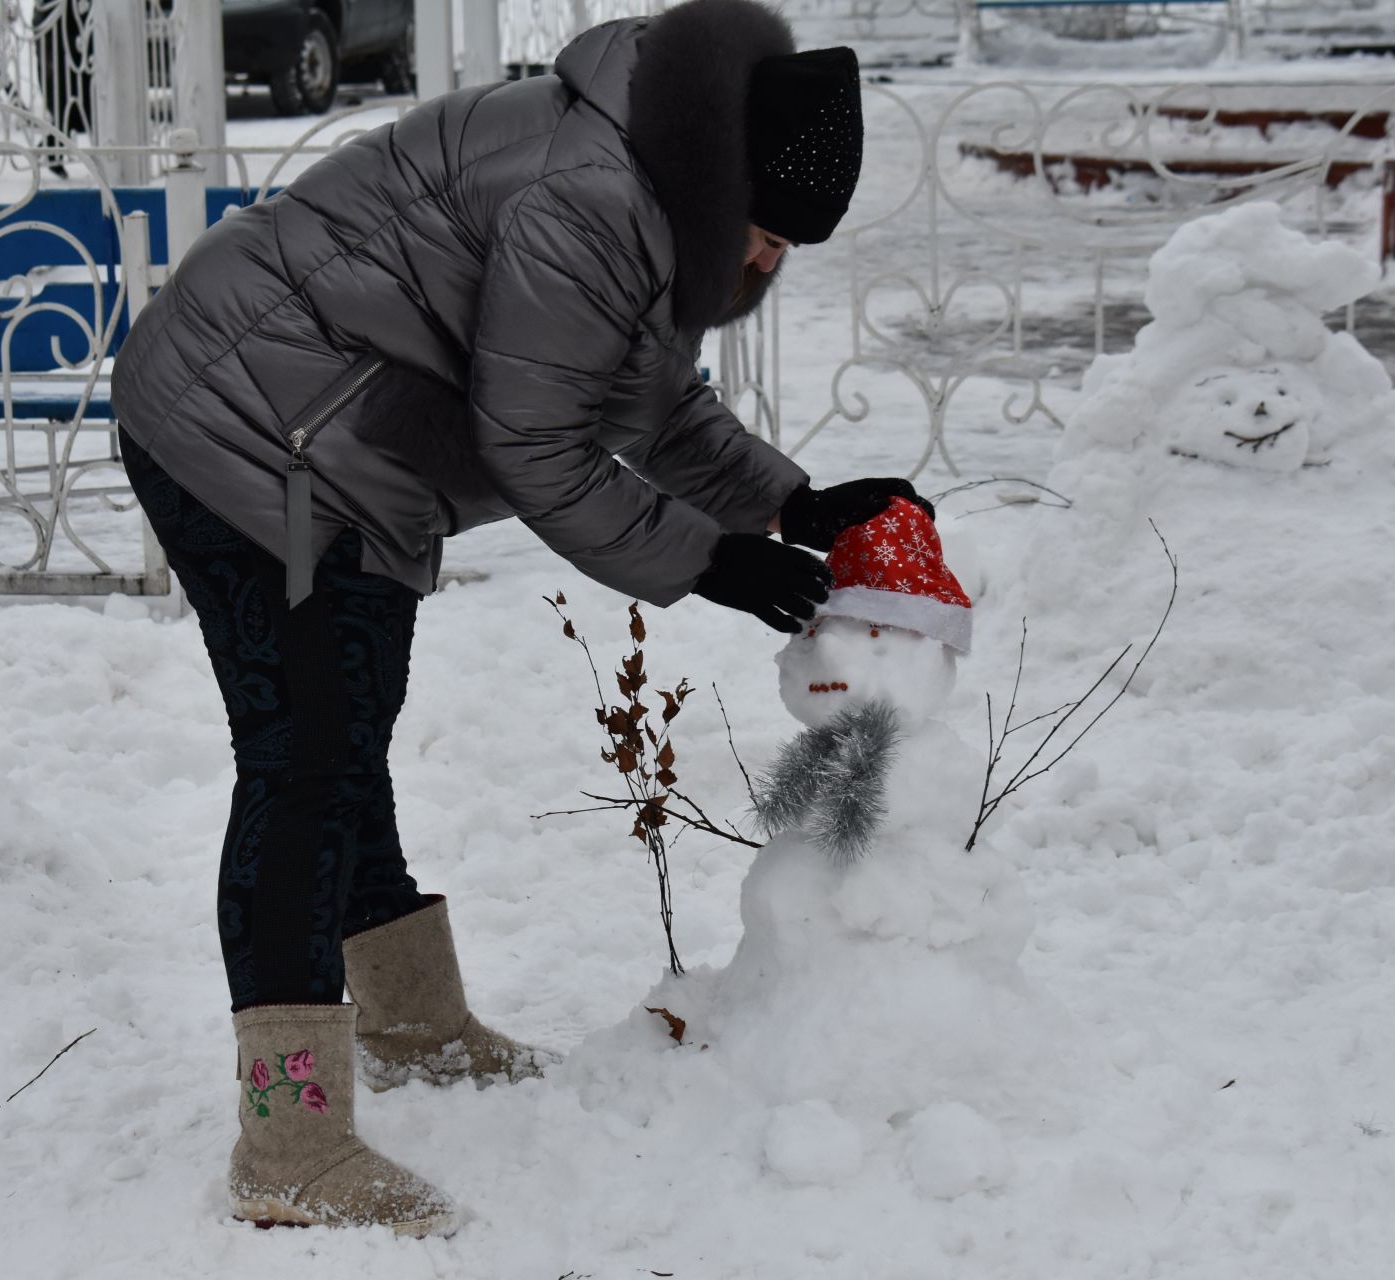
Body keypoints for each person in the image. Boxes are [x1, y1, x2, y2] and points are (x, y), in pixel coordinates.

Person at [111, 0, 928, 1237]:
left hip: (330, 435)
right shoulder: (594, 199)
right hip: (253, 427)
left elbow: (639, 400)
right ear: (731, 182)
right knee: (308, 753)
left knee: (343, 725)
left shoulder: (656, 178)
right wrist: (708, 563)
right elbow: (540, 446)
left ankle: (412, 1026)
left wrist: (791, 502)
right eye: (766, 237)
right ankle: (288, 1140)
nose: (765, 266)